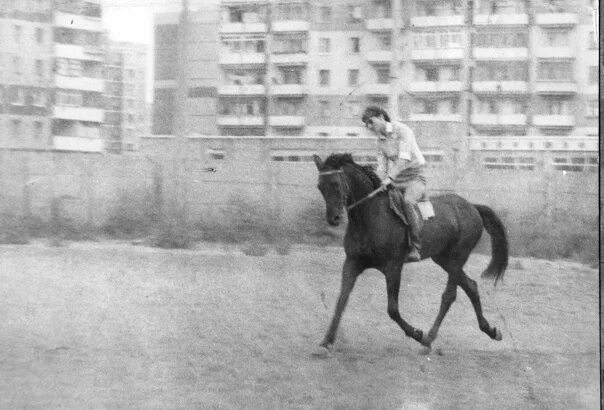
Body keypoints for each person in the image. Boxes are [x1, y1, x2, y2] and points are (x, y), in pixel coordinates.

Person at [361, 106, 426, 262]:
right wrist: (375, 183)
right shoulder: (380, 142)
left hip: (415, 177)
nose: (369, 127)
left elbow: (404, 159)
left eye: (371, 122)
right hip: (396, 179)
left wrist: (389, 178)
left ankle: (416, 247)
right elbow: (381, 168)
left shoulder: (403, 130)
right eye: (366, 125)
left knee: (408, 201)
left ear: (382, 117)